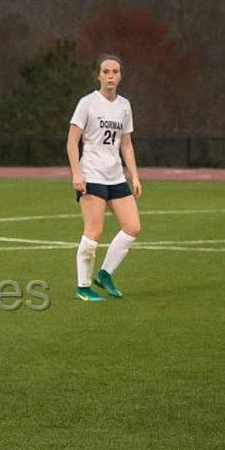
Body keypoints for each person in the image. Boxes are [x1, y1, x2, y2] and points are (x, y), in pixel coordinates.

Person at [66, 54, 143, 301]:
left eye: (115, 71)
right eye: (106, 71)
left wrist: (135, 175)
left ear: (121, 75)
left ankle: (105, 273)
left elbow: (127, 144)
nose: (110, 76)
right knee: (94, 231)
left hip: (116, 176)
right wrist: (77, 172)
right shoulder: (87, 103)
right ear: (98, 75)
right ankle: (83, 287)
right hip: (92, 175)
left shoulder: (124, 106)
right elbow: (72, 141)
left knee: (132, 227)